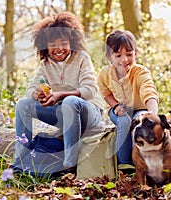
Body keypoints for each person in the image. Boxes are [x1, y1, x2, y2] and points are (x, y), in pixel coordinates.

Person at [12, 11, 104, 175]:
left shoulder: (82, 58)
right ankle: (19, 162)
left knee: (69, 102)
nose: (59, 48)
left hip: (90, 115)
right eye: (53, 44)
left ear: (72, 42)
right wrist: (37, 94)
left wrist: (61, 95)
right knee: (23, 104)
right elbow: (30, 89)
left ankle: (69, 166)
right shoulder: (46, 64)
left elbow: (90, 90)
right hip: (65, 116)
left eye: (63, 42)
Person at [97, 30, 159, 171]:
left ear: (135, 53)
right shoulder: (104, 74)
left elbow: (149, 92)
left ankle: (139, 162)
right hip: (118, 109)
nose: (124, 60)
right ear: (109, 57)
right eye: (118, 55)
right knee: (124, 121)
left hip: (140, 109)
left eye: (129, 54)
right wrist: (115, 105)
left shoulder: (140, 72)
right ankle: (124, 164)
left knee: (139, 123)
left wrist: (151, 114)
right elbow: (106, 93)